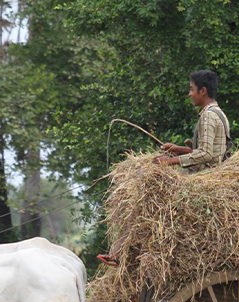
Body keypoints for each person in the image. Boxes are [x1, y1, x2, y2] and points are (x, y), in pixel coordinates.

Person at [97, 70, 230, 266]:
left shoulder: (209, 116)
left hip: (205, 177)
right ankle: (124, 252)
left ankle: (122, 253)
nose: (189, 94)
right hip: (207, 172)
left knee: (147, 193)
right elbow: (208, 151)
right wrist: (180, 150)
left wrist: (169, 162)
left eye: (191, 89)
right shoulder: (216, 113)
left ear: (202, 91)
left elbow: (208, 155)